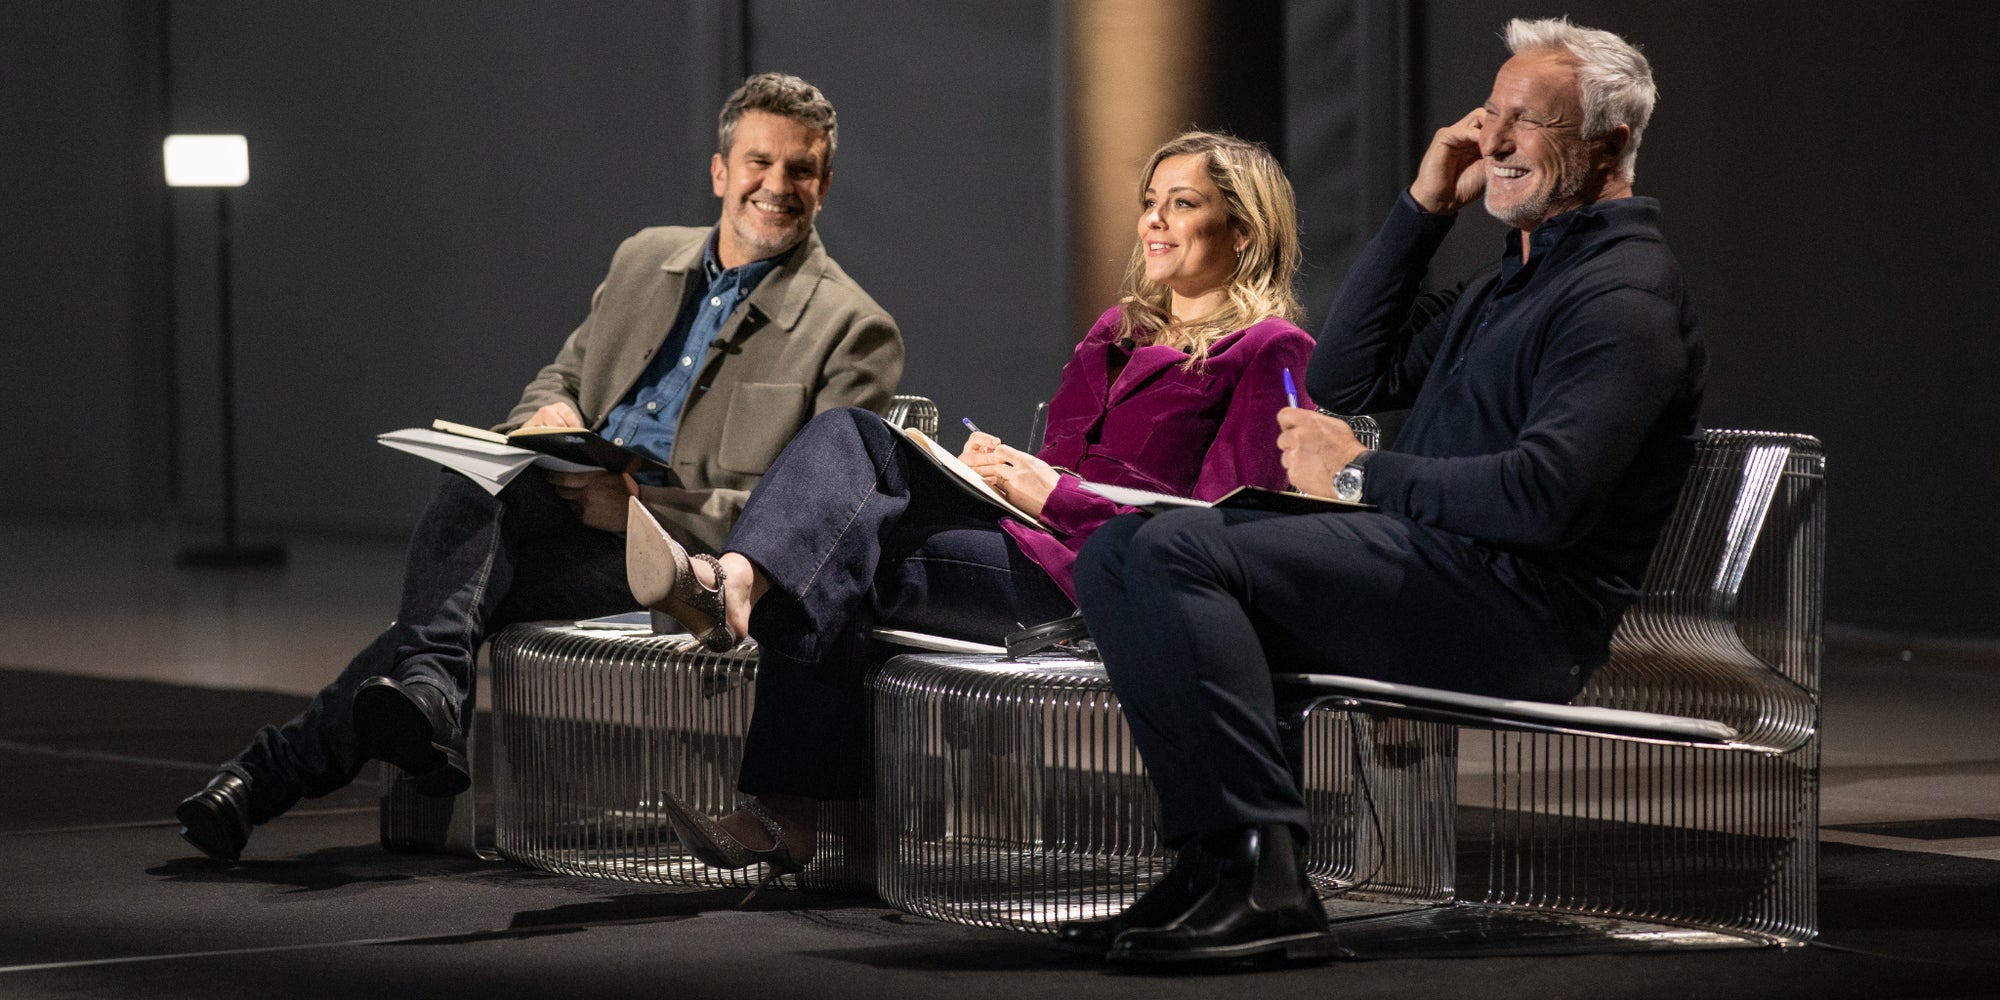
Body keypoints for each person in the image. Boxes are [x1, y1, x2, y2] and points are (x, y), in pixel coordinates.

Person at [1061, 17, 1706, 964]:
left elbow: (1544, 499)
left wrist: (1358, 473)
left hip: (1519, 611)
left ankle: (1264, 874)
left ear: (1609, 145)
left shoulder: (1624, 295)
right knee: (1125, 549)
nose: (1494, 141)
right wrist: (1423, 205)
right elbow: (1348, 375)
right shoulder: (1512, 282)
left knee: (1174, 550)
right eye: (1491, 116)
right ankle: (1212, 862)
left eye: (1528, 122)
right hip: (1436, 568)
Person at [174, 73, 904, 864]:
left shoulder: (854, 328)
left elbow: (812, 514)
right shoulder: (642, 258)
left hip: (677, 561)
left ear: (824, 186)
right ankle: (414, 704)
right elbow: (559, 378)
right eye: (760, 161)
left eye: (801, 170)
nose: (778, 185)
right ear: (721, 170)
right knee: (476, 473)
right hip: (557, 496)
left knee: (450, 607)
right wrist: (546, 419)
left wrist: (639, 510)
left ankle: (292, 761)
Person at [623, 131, 1317, 879]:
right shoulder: (1115, 334)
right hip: (1023, 544)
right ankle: (750, 655)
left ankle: (740, 639)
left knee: (844, 513)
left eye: (1182, 205)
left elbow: (1224, 532)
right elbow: (1053, 469)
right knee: (849, 477)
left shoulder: (1268, 350)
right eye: (1150, 204)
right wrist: (994, 474)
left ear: (1243, 232)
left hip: (1093, 584)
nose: (1153, 221)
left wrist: (1054, 492)